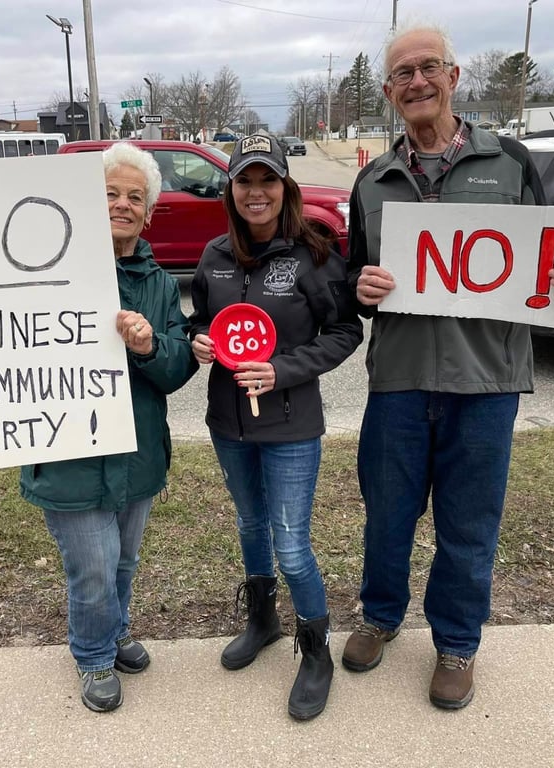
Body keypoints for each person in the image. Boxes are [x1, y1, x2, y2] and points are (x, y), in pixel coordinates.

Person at [0, 142, 197, 713]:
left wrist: (151, 344)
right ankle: (94, 656)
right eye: (110, 193)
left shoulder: (157, 283)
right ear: (85, 201)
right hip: (66, 456)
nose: (123, 205)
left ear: (150, 213)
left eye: (136, 197)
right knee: (94, 568)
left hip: (138, 455)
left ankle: (117, 630)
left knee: (123, 561)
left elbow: (179, 367)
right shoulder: (31, 269)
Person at [342, 25, 554, 710]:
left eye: (428, 68)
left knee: (469, 522)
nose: (416, 82)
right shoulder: (372, 180)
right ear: (390, 91)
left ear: (454, 78)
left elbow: (546, 264)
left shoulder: (510, 163)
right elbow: (354, 278)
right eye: (402, 73)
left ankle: (457, 642)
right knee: (387, 515)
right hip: (397, 380)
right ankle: (380, 615)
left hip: (486, 384)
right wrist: (359, 289)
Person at [189, 134, 363, 720]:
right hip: (228, 423)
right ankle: (261, 620)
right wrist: (199, 342)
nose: (255, 192)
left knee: (291, 545)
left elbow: (344, 332)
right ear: (230, 189)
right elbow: (202, 321)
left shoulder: (313, 255)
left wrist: (282, 370)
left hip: (290, 426)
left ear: (284, 188)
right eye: (245, 181)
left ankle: (316, 653)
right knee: (249, 525)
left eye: (267, 180)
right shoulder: (213, 254)